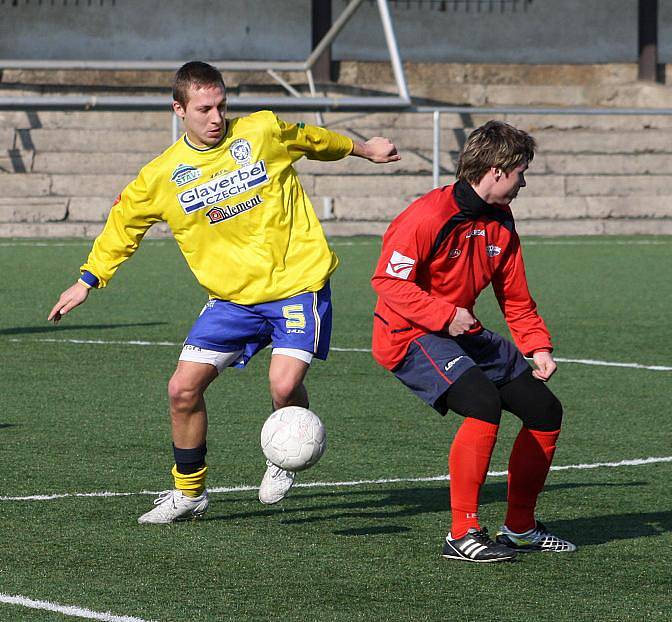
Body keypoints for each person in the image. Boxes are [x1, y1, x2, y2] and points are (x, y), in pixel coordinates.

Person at [48, 61, 399, 524]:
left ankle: (284, 453)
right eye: (204, 109)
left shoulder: (261, 131)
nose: (216, 118)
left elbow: (313, 139)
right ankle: (189, 493)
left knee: (284, 383)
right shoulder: (161, 175)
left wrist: (363, 148)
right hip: (232, 299)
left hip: (297, 283)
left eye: (221, 106)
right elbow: (123, 225)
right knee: (181, 389)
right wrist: (89, 279)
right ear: (179, 110)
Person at [370, 120, 575, 562]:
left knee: (544, 410)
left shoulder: (501, 220)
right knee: (482, 402)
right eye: (521, 171)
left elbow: (515, 295)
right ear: (498, 170)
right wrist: (444, 314)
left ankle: (519, 528)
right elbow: (388, 281)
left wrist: (537, 345)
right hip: (409, 332)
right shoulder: (427, 215)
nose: (524, 181)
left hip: (461, 331)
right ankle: (462, 533)